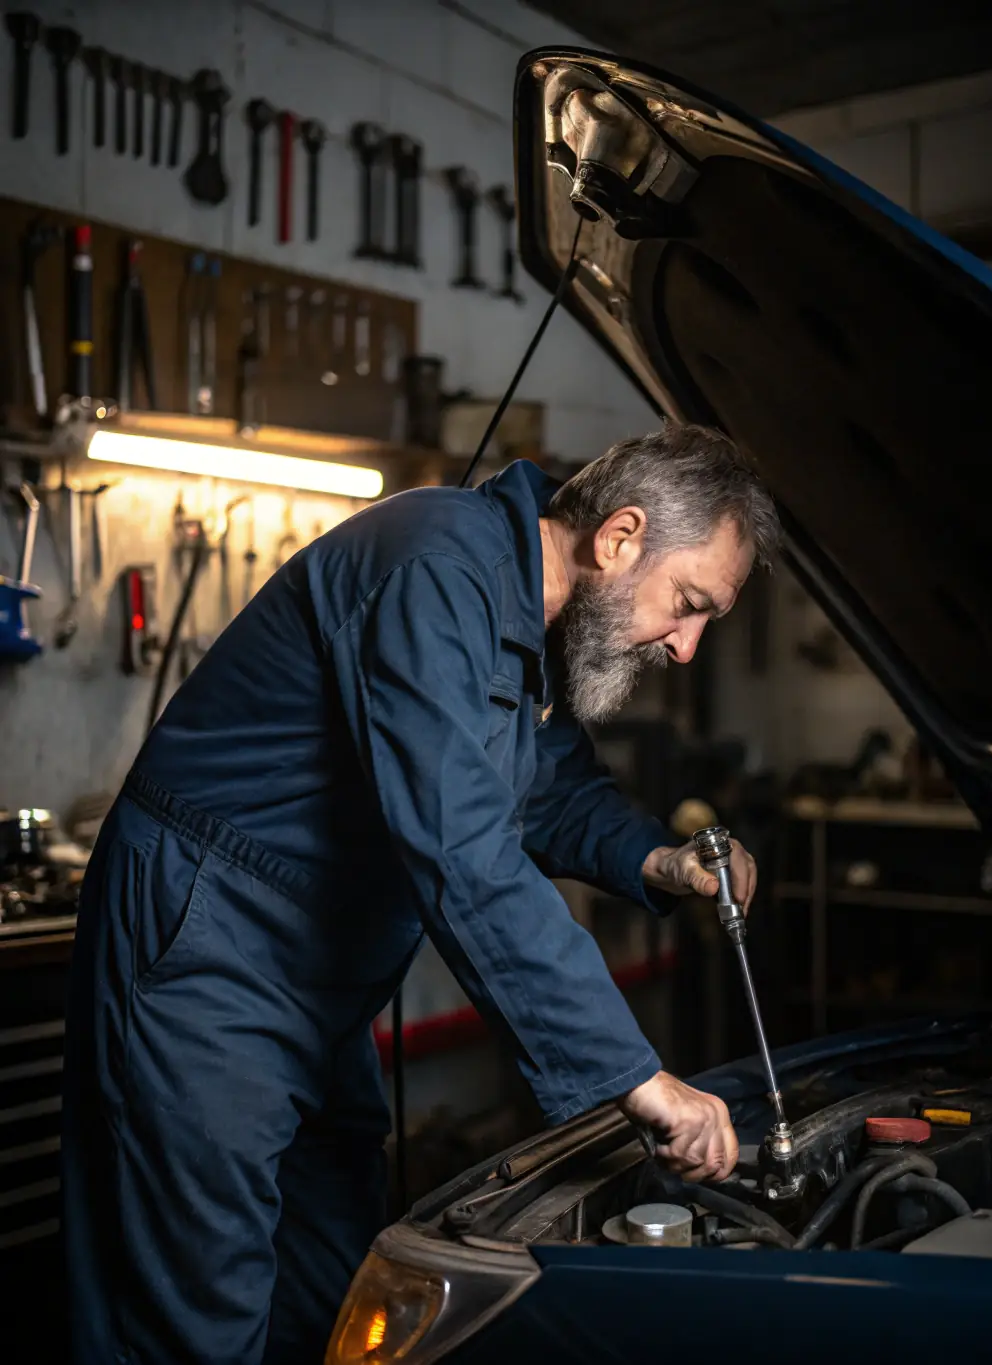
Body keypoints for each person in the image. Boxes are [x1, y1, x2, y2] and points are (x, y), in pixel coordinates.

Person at [63, 420, 780, 1363]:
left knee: (334, 1275)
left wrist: (664, 861)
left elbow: (549, 790)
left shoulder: (532, 618)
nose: (685, 646)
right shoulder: (435, 567)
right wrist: (635, 1077)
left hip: (316, 966)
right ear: (619, 537)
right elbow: (463, 846)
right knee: (196, 1296)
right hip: (210, 938)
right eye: (687, 604)